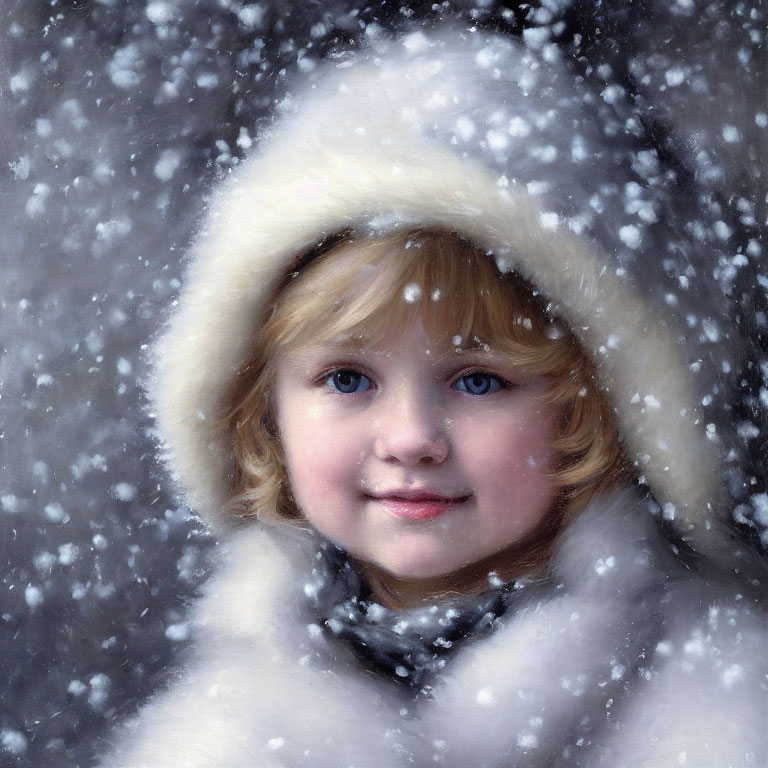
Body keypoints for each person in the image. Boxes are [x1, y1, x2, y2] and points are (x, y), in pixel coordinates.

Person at [99, 22, 768, 768]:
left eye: (479, 381)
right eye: (348, 380)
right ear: (264, 413)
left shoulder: (713, 700)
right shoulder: (218, 731)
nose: (412, 437)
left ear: (588, 410)